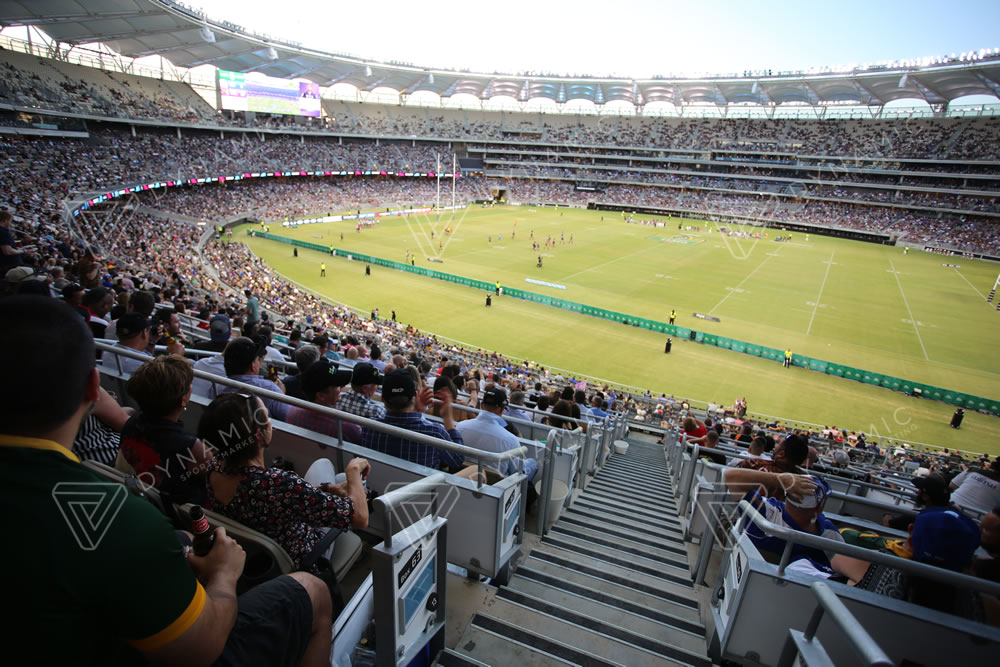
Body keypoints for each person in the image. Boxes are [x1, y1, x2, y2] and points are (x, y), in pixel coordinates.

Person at [0, 296, 333, 666]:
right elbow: (200, 648)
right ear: (94, 388)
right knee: (314, 591)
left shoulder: (131, 435)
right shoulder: (124, 520)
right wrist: (224, 575)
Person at [200, 392, 369, 569]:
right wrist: (354, 470)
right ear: (258, 435)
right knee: (332, 469)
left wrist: (328, 488)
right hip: (306, 557)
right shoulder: (278, 483)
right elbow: (360, 518)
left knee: (334, 475)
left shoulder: (213, 469)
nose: (270, 422)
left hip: (261, 557)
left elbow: (283, 498)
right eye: (266, 416)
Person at [120, 354, 213, 505]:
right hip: (180, 518)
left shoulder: (132, 423)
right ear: (183, 399)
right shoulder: (192, 448)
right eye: (190, 385)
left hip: (141, 501)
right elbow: (220, 482)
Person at [724, 469, 842, 573]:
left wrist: (780, 479)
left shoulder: (765, 515)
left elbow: (730, 476)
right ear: (820, 507)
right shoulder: (830, 534)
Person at [362, 369, 464, 471]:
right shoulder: (436, 432)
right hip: (422, 486)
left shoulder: (368, 427)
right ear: (415, 395)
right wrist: (448, 419)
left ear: (383, 398)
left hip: (376, 485)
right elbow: (457, 460)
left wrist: (417, 411)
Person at [286, 360, 362, 444]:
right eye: (337, 384)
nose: (342, 386)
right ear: (321, 396)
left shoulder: (291, 413)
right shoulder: (348, 428)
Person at [219, 336, 289, 421]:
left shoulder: (217, 385)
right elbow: (288, 417)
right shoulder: (270, 388)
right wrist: (281, 394)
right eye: (258, 360)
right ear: (253, 366)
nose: (260, 363)